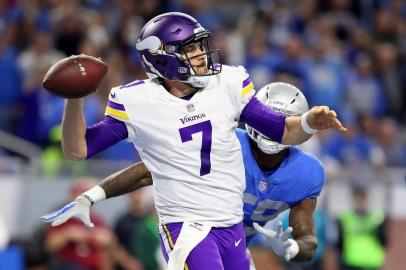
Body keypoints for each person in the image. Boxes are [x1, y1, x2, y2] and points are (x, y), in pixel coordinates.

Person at [43, 12, 345, 270]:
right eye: (191, 49)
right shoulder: (135, 100)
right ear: (162, 58)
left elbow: (282, 131)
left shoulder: (227, 83)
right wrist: (75, 100)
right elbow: (78, 149)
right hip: (187, 226)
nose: (203, 54)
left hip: (231, 224)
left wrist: (308, 122)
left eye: (201, 46)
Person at [336, 185, 388, 270]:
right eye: (358, 199)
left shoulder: (377, 218)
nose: (360, 202)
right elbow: (339, 243)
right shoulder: (345, 218)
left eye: (363, 198)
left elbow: (384, 241)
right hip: (351, 262)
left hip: (372, 262)